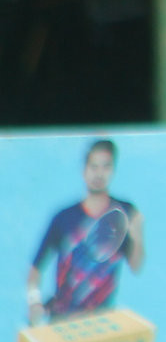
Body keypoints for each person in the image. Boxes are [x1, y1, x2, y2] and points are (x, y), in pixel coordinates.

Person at [27, 138, 143, 324]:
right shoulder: (63, 218)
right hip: (62, 321)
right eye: (94, 167)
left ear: (113, 170)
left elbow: (136, 266)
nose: (99, 174)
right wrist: (34, 302)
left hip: (102, 323)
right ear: (84, 171)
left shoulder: (125, 212)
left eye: (105, 167)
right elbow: (35, 269)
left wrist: (137, 236)